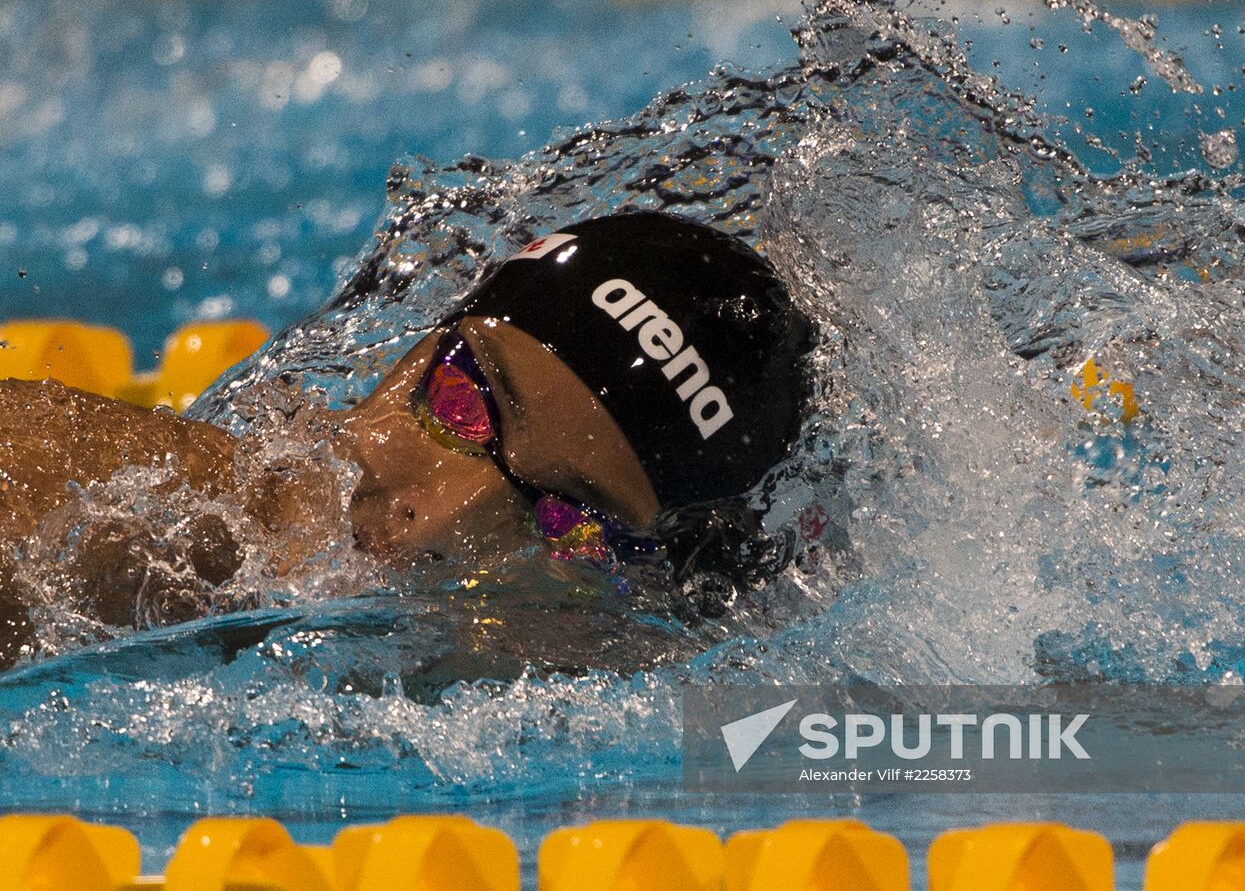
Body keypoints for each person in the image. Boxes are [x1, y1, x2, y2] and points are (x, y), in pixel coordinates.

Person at [0, 211, 814, 666]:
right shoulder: (91, 501)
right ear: (413, 349)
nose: (447, 515)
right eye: (461, 402)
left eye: (570, 520)